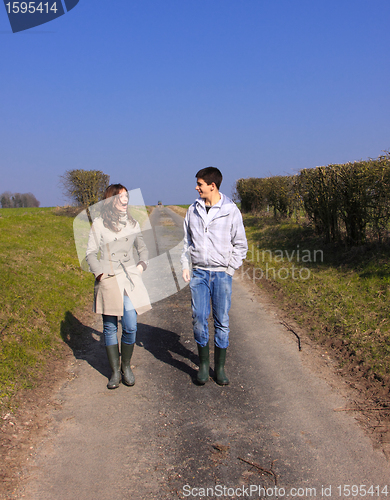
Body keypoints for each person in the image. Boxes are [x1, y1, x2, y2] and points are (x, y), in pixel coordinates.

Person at [181, 167, 248, 385]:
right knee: (199, 318)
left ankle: (219, 368)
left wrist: (229, 269)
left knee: (222, 321)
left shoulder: (231, 210)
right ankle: (202, 366)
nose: (196, 187)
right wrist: (186, 265)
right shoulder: (193, 209)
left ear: (212, 186)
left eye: (200, 184)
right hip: (199, 273)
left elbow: (240, 245)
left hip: (221, 275)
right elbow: (186, 242)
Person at [86, 184, 151, 389]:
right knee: (109, 327)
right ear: (110, 200)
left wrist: (141, 267)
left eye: (126, 197)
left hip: (130, 279)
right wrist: (100, 273)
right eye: (120, 197)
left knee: (130, 325)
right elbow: (90, 253)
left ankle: (127, 366)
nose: (125, 200)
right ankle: (114, 372)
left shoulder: (132, 222)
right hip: (108, 279)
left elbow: (143, 249)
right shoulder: (98, 223)